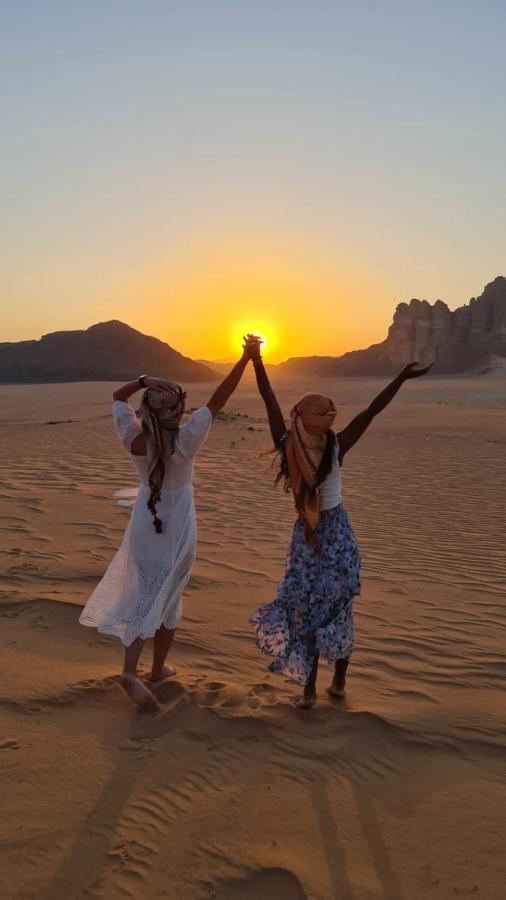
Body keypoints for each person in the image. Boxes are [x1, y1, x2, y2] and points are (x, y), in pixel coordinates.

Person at [245, 336, 431, 708]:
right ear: (327, 422)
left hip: (308, 536)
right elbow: (371, 411)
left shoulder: (289, 445)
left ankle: (310, 691)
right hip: (339, 534)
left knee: (309, 608)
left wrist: (256, 359)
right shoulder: (336, 445)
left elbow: (269, 400)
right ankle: (339, 683)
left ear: (298, 421)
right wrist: (401, 378)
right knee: (340, 605)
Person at [79, 346, 252, 709]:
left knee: (148, 593)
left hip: (145, 521)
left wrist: (143, 381)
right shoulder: (186, 441)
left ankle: (147, 669)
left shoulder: (134, 439)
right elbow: (220, 398)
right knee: (169, 594)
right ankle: (139, 672)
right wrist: (246, 358)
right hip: (177, 526)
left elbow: (117, 397)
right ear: (177, 411)